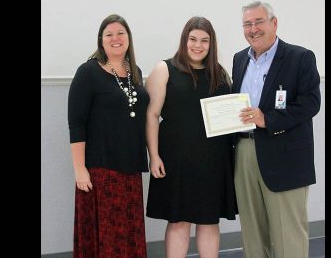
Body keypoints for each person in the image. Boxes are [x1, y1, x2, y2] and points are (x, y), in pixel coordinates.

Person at [232, 1, 321, 258]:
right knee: (252, 232)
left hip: (286, 157)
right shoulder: (240, 59)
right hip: (245, 152)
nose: (253, 29)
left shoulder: (300, 57)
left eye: (259, 22)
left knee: (287, 235)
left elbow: (310, 103)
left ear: (274, 23)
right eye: (247, 24)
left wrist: (268, 119)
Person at [145, 16, 237, 258]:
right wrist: (153, 155)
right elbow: (152, 115)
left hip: (213, 160)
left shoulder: (220, 72)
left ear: (211, 44)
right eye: (193, 39)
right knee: (179, 221)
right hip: (177, 159)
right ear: (184, 40)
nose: (198, 45)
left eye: (204, 40)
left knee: (209, 221)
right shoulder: (165, 69)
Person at [67, 14, 149, 258]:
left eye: (120, 33)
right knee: (108, 236)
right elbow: (76, 124)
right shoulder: (87, 72)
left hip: (130, 170)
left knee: (128, 233)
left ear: (128, 38)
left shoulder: (135, 71)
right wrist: (79, 169)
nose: (115, 38)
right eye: (109, 34)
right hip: (101, 172)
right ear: (101, 40)